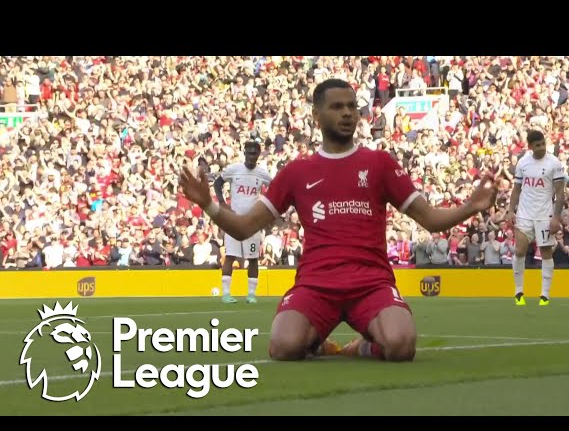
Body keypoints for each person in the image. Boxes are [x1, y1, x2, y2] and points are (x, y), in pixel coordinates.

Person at [179, 78, 498, 362]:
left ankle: (359, 347)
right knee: (283, 347)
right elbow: (245, 226)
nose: (347, 113)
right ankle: (320, 342)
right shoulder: (296, 171)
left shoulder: (379, 163)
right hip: (316, 284)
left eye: (351, 106)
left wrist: (471, 206)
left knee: (401, 346)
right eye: (337, 107)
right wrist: (208, 204)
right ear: (317, 116)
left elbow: (429, 219)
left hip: (371, 282)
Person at [506, 130, 566, 306]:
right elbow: (516, 189)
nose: (541, 148)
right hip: (524, 214)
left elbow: (560, 192)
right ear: (530, 146)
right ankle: (518, 293)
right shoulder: (523, 162)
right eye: (537, 145)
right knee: (519, 251)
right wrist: (511, 210)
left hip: (544, 215)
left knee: (546, 252)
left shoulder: (554, 163)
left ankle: (545, 295)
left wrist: (556, 217)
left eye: (543, 144)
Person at [213, 140, 272, 303]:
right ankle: (226, 294)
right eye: (249, 153)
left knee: (252, 258)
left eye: (254, 153)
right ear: (244, 153)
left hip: (253, 222)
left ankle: (251, 294)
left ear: (258, 154)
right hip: (234, 220)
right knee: (230, 256)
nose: (251, 156)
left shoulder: (262, 173)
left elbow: (275, 188)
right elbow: (218, 183)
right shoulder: (234, 169)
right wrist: (222, 203)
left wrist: (266, 208)